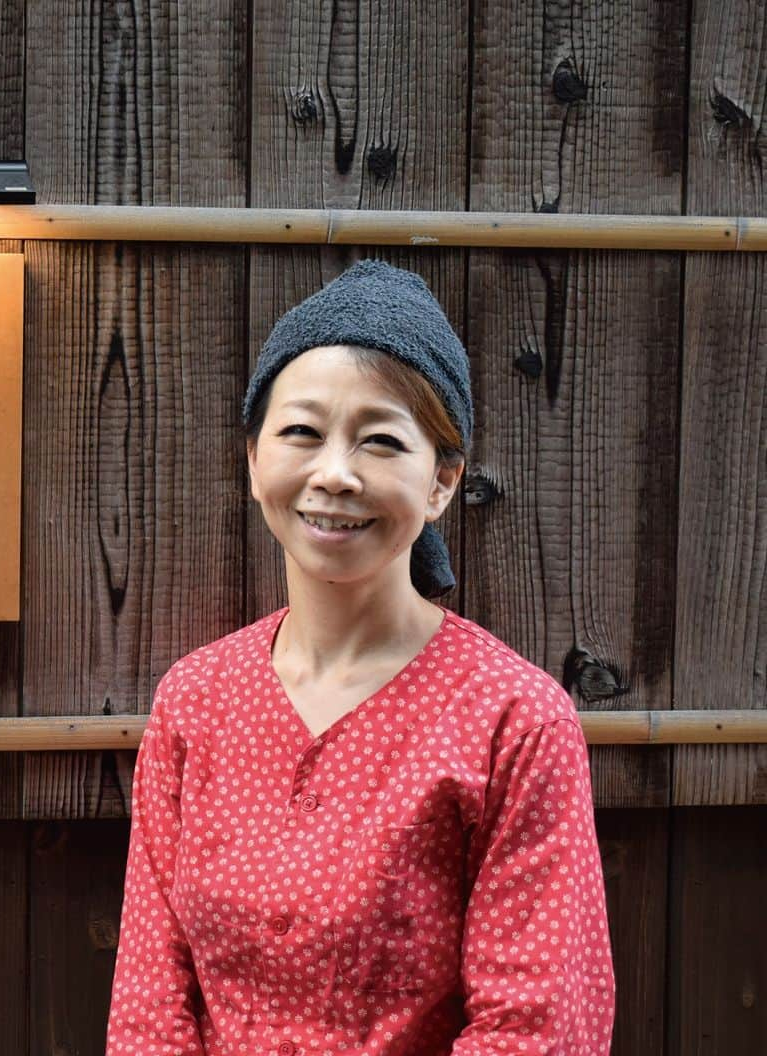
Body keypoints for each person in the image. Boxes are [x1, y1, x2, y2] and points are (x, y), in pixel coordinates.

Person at [105, 260, 616, 1056]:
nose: (334, 474)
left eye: (380, 441)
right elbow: (150, 1000)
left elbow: (536, 1028)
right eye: (302, 432)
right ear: (253, 460)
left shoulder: (515, 722)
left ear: (443, 480)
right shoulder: (196, 700)